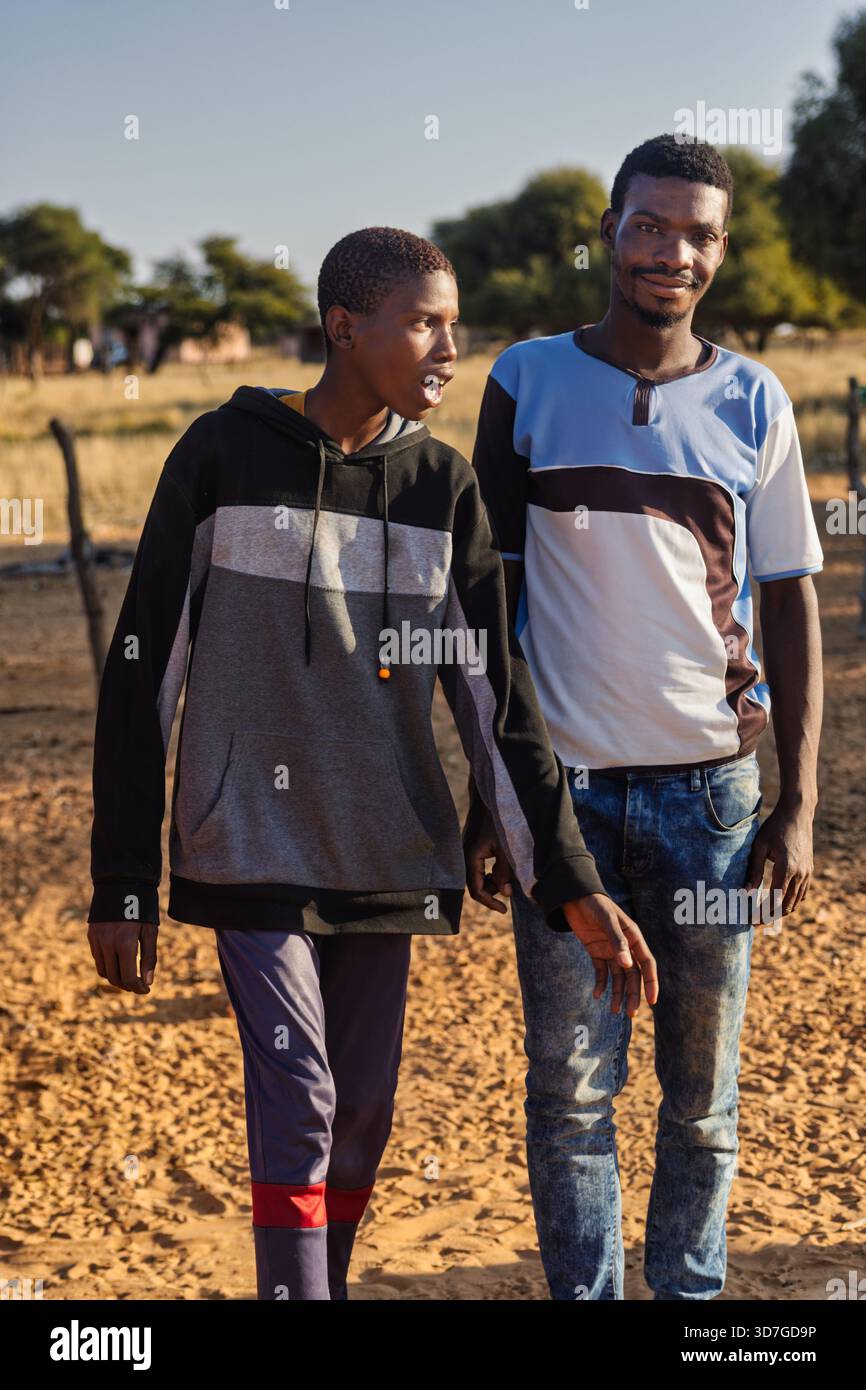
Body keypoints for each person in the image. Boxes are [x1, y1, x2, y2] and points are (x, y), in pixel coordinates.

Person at [86, 226, 658, 1301]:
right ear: (345, 327)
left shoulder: (440, 487)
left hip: (387, 850)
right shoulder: (220, 453)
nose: (450, 344)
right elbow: (139, 669)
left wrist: (564, 878)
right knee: (300, 1093)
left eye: (455, 322)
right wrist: (122, 877)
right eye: (425, 320)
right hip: (244, 839)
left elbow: (498, 702)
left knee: (360, 1117)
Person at [465, 135, 824, 1301]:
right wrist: (493, 794)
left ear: (719, 251)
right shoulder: (524, 380)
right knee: (568, 1096)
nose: (674, 251)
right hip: (560, 799)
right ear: (609, 231)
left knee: (700, 1098)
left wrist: (798, 803)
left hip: (712, 797)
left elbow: (790, 602)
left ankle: (688, 1307)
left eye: (699, 234)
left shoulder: (752, 398)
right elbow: (491, 605)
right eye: (651, 225)